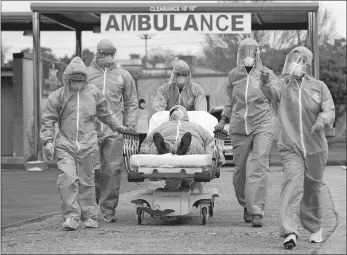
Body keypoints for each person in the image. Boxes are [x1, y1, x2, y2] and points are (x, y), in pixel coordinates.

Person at [40, 56, 130, 231]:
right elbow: (48, 119)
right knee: (67, 179)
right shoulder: (58, 96)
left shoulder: (94, 93)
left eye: (81, 80)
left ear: (85, 79)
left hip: (88, 143)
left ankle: (89, 216)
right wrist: (48, 141)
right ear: (67, 79)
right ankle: (71, 216)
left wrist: (117, 126)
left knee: (86, 182)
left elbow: (105, 113)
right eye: (74, 81)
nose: (77, 84)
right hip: (65, 144)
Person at [259, 46, 335, 249]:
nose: (294, 63)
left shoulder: (318, 87)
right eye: (292, 59)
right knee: (292, 185)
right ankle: (289, 231)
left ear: (306, 65)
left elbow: (329, 109)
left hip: (316, 148)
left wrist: (322, 120)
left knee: (312, 189)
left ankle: (314, 226)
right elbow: (270, 91)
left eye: (299, 60)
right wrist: (265, 81)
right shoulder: (283, 85)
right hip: (290, 146)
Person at [214, 38, 278, 228]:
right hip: (239, 126)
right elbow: (230, 102)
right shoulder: (234, 75)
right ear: (240, 55)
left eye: (252, 52)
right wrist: (223, 120)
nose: (248, 56)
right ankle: (246, 204)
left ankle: (257, 210)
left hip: (263, 123)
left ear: (257, 54)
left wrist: (268, 84)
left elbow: (276, 95)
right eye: (245, 53)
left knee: (259, 165)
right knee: (240, 171)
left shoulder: (267, 74)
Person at [87, 39, 138, 222]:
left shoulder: (124, 76)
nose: (108, 58)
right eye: (104, 54)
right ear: (97, 54)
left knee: (113, 170)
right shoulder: (86, 74)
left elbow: (131, 102)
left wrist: (130, 123)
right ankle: (89, 208)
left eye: (111, 54)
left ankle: (108, 209)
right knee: (92, 170)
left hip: (114, 130)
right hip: (90, 130)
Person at [140, 105, 224, 190]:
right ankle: (182, 149)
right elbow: (210, 142)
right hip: (191, 142)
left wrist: (144, 156)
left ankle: (164, 149)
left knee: (156, 147)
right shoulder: (196, 126)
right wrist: (214, 160)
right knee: (193, 146)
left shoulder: (162, 126)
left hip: (171, 141)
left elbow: (146, 142)